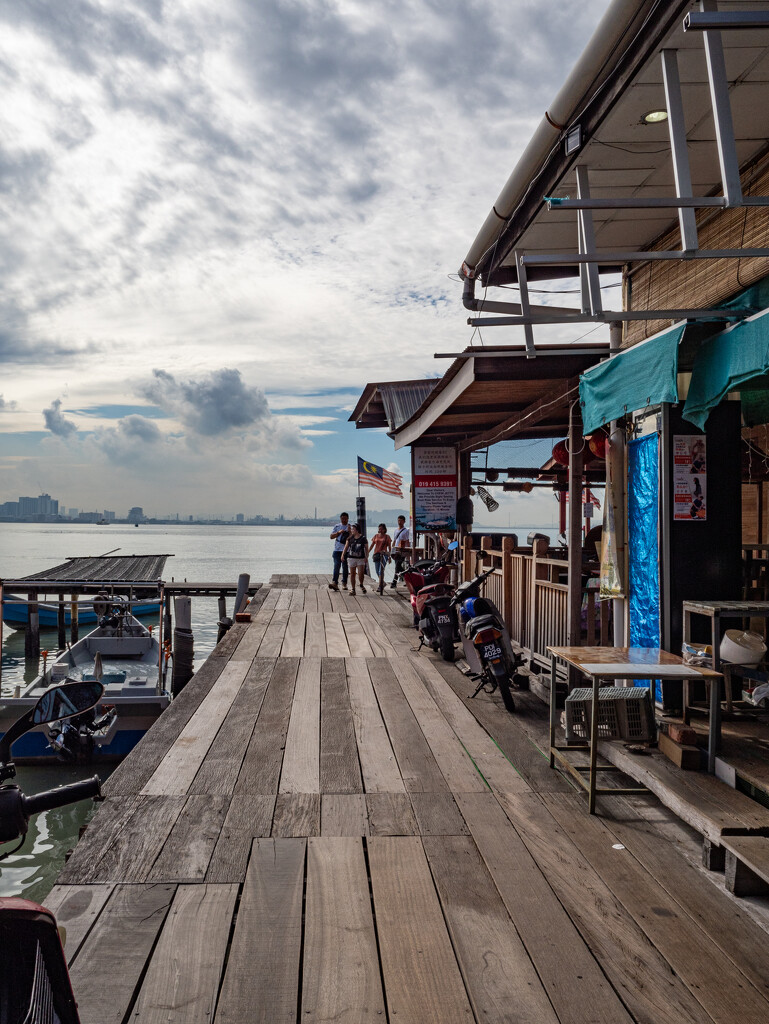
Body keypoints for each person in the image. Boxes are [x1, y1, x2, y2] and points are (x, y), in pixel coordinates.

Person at [342, 523, 369, 595]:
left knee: (361, 574)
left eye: (353, 529)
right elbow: (346, 547)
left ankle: (361, 584)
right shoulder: (350, 538)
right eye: (351, 529)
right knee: (352, 574)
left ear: (357, 530)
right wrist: (343, 555)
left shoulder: (363, 538)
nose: (351, 530)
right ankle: (353, 589)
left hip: (360, 558)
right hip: (351, 558)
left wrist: (366, 557)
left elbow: (366, 548)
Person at [329, 512, 350, 591]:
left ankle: (344, 583)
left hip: (346, 550)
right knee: (336, 566)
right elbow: (331, 536)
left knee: (345, 567)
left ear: (348, 519)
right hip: (337, 550)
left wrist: (349, 531)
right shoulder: (337, 526)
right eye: (342, 518)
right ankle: (335, 583)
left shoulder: (350, 527)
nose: (344, 520)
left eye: (345, 518)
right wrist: (338, 532)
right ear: (340, 518)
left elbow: (354, 537)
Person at [369, 522, 392, 595]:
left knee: (380, 571)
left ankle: (380, 586)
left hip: (384, 555)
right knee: (376, 571)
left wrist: (390, 557)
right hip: (376, 554)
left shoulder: (387, 537)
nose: (380, 530)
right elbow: (372, 545)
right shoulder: (376, 536)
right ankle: (383, 583)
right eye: (379, 529)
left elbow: (389, 547)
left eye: (382, 529)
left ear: (385, 530)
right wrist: (367, 552)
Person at [390, 515, 410, 588]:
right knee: (398, 567)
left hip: (402, 551)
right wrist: (392, 549)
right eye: (398, 520)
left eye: (401, 520)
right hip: (396, 550)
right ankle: (408, 576)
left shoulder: (406, 531)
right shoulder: (396, 530)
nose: (399, 522)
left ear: (404, 521)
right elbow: (394, 540)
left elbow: (407, 541)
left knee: (397, 566)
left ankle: (394, 582)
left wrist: (408, 550)